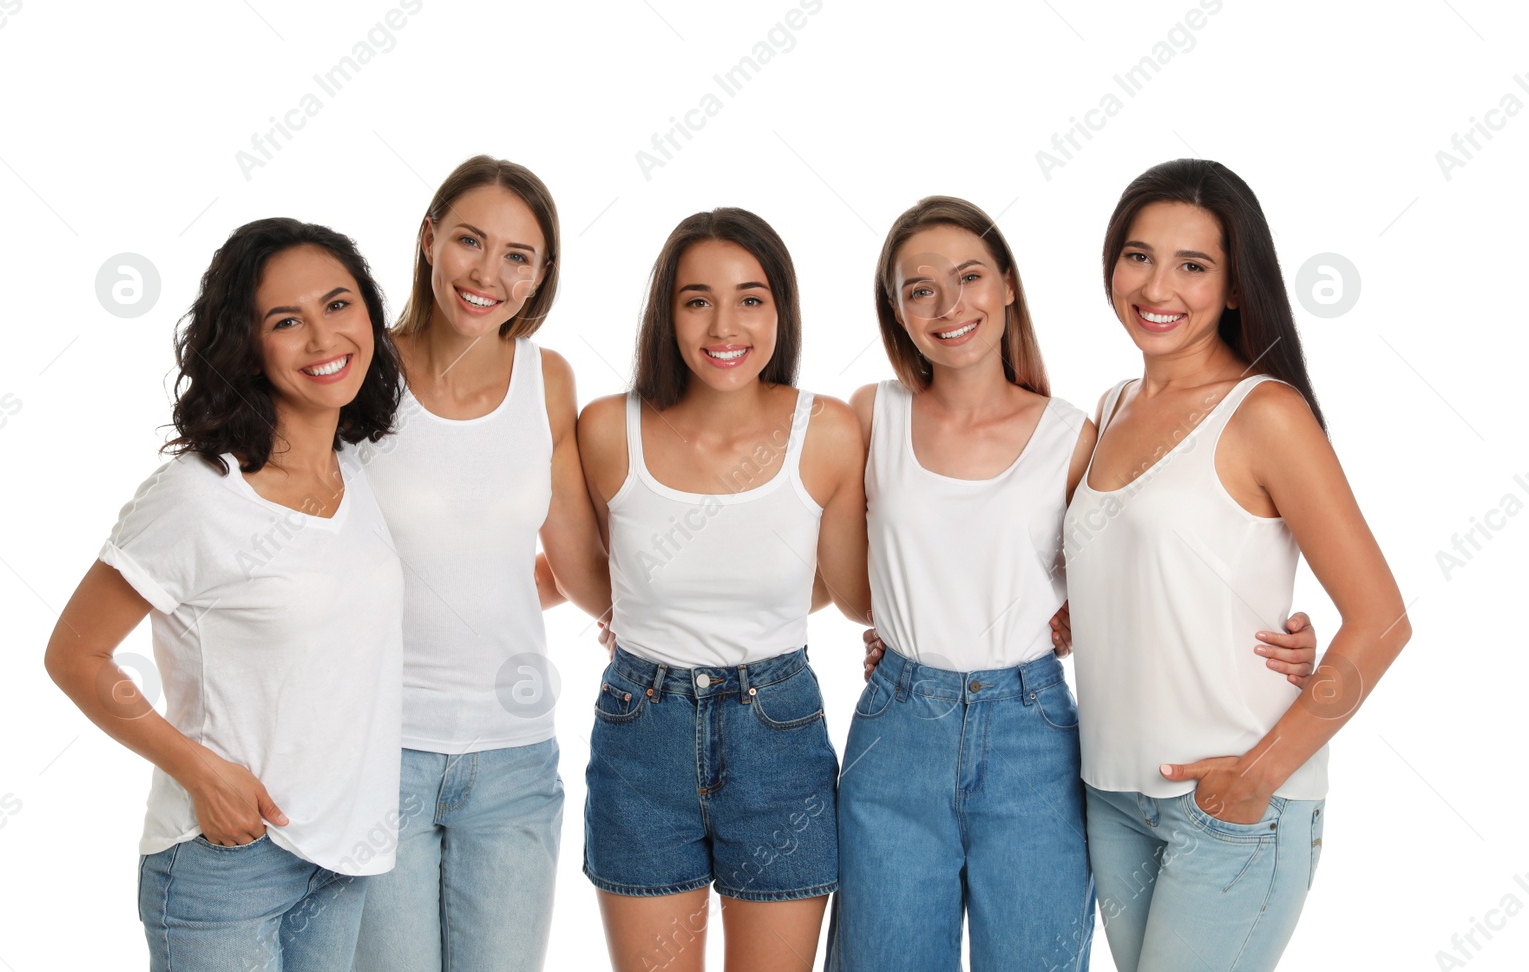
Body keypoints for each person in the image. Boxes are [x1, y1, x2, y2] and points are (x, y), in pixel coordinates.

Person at [828, 196, 1319, 972]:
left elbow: (1137, 566)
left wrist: (1280, 630)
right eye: (919, 289)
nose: (949, 305)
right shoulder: (869, 415)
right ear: (894, 309)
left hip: (1033, 734)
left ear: (1009, 286)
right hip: (898, 724)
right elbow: (843, 575)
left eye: (970, 277)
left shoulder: (1073, 434)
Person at [1065, 159, 1411, 971]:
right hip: (1112, 796)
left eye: (1194, 265)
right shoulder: (1111, 407)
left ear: (1232, 288)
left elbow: (1384, 621)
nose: (1158, 286)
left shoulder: (1265, 414)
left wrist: (1258, 774)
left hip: (1228, 807)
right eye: (1139, 255)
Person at [43, 218, 407, 971]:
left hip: (339, 856)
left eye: (338, 306)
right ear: (247, 342)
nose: (321, 337)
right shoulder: (197, 494)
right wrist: (200, 772)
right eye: (285, 320)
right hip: (228, 860)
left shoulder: (355, 471)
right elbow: (75, 654)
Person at [577, 208, 870, 972]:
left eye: (750, 297)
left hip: (777, 732)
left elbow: (854, 594)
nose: (724, 323)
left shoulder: (829, 432)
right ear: (667, 314)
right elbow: (580, 568)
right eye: (697, 299)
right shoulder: (610, 429)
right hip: (641, 731)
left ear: (781, 310)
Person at [354, 155, 609, 972]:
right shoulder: (358, 372)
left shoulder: (549, 381)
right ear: (430, 240)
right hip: (375, 754)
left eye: (518, 256)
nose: (487, 273)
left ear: (540, 279)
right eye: (470, 240)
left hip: (512, 763)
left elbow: (576, 569)